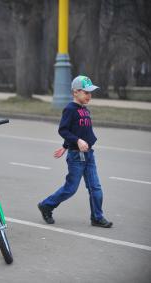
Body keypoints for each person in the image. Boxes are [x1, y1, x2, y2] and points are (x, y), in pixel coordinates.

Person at [38, 75, 113, 228]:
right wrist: (75, 142)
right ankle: (46, 205)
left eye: (90, 93)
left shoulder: (84, 110)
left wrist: (65, 146)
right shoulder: (70, 109)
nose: (89, 96)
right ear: (75, 92)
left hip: (89, 155)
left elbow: (76, 130)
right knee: (71, 188)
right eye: (86, 92)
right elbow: (63, 129)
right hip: (76, 157)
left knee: (95, 187)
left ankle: (97, 217)